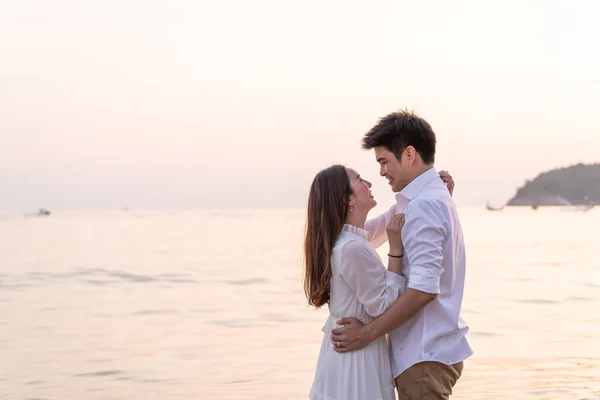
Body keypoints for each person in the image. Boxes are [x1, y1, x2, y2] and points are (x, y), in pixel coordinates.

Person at [330, 110, 473, 399]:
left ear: (409, 155)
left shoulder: (425, 204)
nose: (381, 172)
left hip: (423, 354)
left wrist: (366, 334)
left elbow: (423, 290)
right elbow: (365, 234)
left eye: (384, 161)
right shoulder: (424, 200)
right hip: (426, 352)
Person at [304, 164, 455, 400]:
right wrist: (395, 250)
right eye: (360, 180)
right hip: (357, 356)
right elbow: (384, 306)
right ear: (347, 200)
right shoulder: (352, 247)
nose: (369, 183)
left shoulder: (348, 238)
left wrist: (428, 192)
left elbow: (389, 221)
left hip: (346, 351)